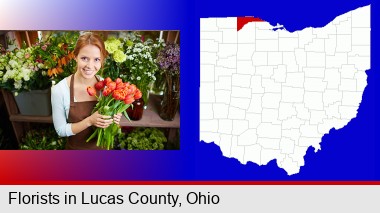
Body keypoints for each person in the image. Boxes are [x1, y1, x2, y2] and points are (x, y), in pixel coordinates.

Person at [51, 32, 122, 150]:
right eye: (84, 58)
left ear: (102, 60)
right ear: (75, 57)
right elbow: (61, 130)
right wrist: (89, 121)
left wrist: (114, 117)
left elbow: (110, 123)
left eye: (96, 59)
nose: (90, 65)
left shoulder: (106, 85)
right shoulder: (60, 90)